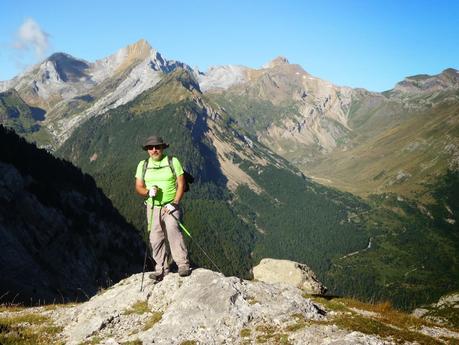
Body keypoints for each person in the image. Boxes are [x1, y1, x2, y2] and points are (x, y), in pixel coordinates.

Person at [135, 135, 191, 280]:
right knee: (155, 237)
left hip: (170, 205)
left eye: (157, 147)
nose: (154, 150)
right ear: (147, 150)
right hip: (153, 207)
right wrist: (148, 192)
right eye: (150, 148)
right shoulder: (143, 165)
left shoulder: (173, 161)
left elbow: (181, 184)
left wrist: (175, 203)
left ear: (162, 148)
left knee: (173, 230)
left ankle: (183, 264)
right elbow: (139, 187)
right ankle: (161, 268)